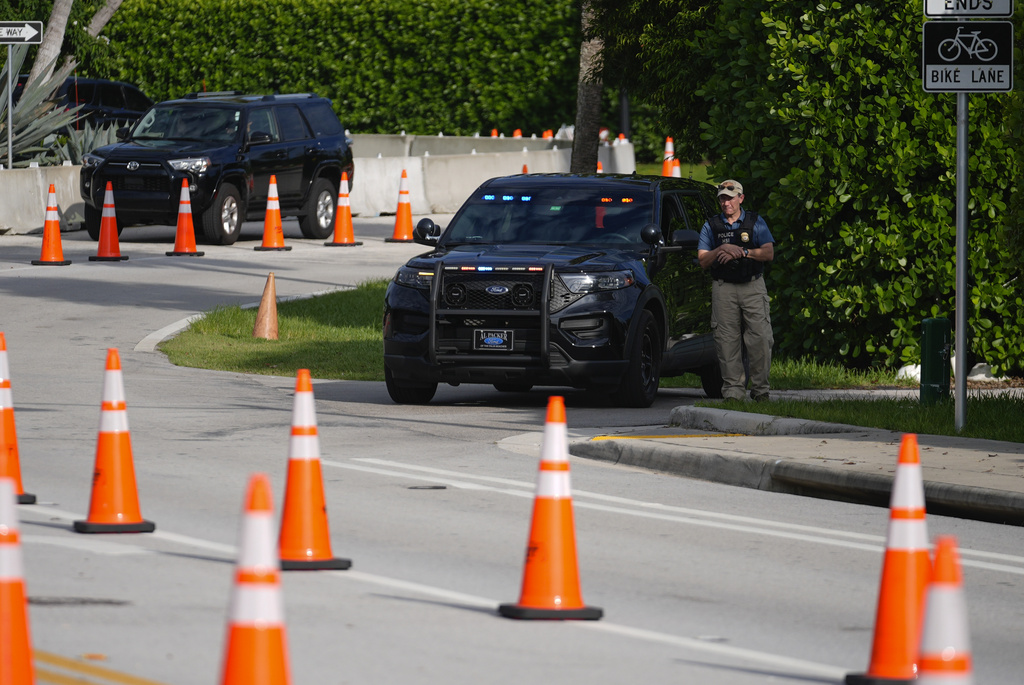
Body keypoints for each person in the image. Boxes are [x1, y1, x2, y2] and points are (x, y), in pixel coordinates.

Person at [697, 179, 775, 401]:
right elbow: (703, 260)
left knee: (760, 338)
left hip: (752, 285)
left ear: (740, 198)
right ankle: (733, 392)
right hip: (724, 288)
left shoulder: (755, 222)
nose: (726, 203)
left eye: (730, 198)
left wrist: (742, 252)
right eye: (722, 198)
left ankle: (761, 391)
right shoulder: (711, 226)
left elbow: (768, 253)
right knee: (726, 340)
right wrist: (722, 248)